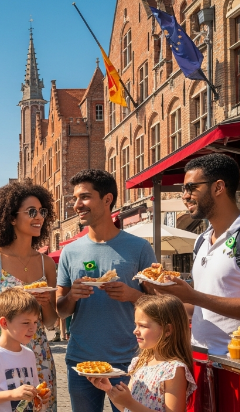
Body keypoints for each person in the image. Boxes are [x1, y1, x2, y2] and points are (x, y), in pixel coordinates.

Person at [56, 169, 155, 412]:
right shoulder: (70, 251)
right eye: (76, 199)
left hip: (127, 360)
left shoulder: (139, 247)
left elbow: (159, 306)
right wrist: (72, 297)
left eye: (85, 197)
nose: (77, 205)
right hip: (81, 361)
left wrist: (132, 295)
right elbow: (60, 310)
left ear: (107, 199)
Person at [0, 180, 59, 412]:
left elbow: (50, 322)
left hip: (38, 355)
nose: (39, 217)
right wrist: (17, 298)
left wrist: (45, 303)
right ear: (11, 218)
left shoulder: (46, 263)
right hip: (2, 353)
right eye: (31, 212)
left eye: (42, 211)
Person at [153, 153, 240, 355]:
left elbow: (200, 299)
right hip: (200, 357)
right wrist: (167, 296)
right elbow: (200, 309)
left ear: (218, 187)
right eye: (183, 189)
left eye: (191, 188)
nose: (184, 196)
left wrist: (194, 296)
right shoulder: (201, 240)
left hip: (233, 365)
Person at [88, 294, 196, 411]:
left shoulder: (173, 371)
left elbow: (131, 405)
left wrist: (130, 403)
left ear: (167, 330)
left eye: (143, 326)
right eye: (136, 325)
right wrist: (109, 389)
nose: (135, 331)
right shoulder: (140, 362)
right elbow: (126, 408)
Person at [0, 288, 51, 412]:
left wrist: (39, 395)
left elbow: (33, 388)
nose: (33, 328)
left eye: (35, 322)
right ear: (4, 323)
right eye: (26, 323)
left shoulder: (29, 354)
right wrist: (12, 394)